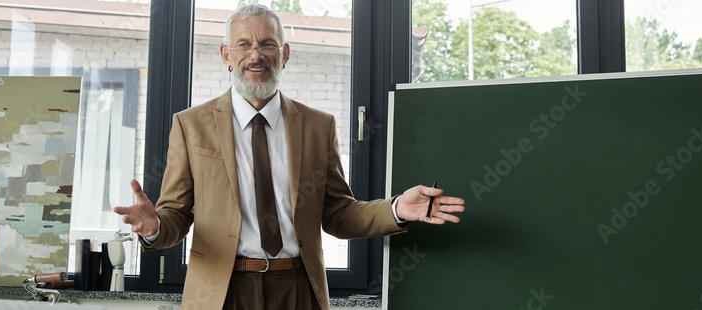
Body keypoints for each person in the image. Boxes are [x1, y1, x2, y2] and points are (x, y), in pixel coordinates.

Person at [113, 4, 465, 310]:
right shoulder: (191, 126)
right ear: (226, 55)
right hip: (220, 292)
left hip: (298, 290)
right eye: (244, 45)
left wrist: (396, 209)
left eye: (268, 44)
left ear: (284, 54)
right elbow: (177, 215)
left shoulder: (317, 126)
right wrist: (155, 226)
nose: (256, 55)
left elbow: (339, 214)